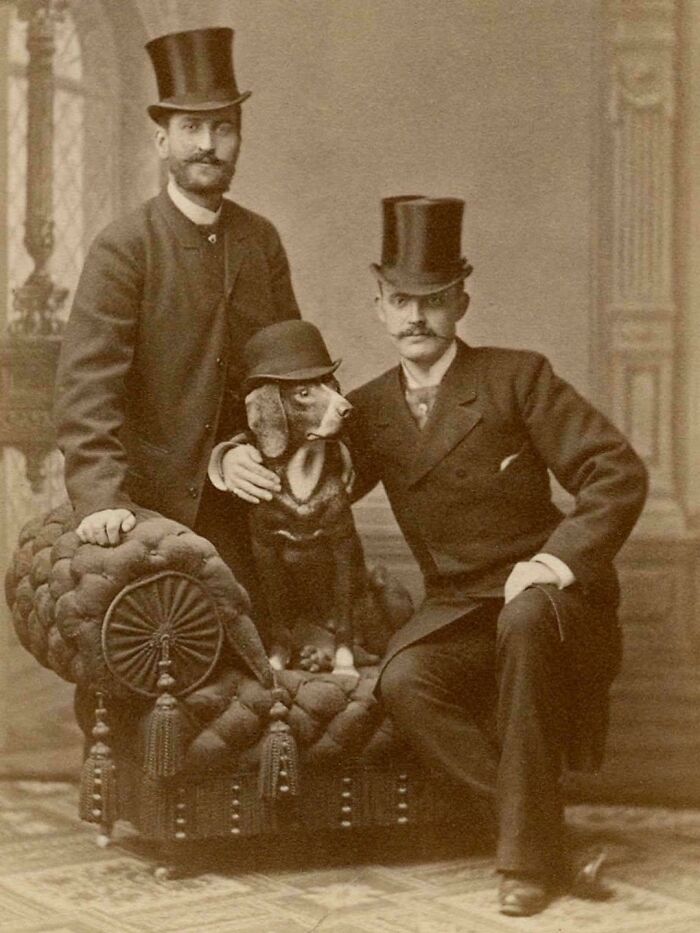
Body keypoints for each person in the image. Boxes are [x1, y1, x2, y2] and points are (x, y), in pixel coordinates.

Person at [221, 195, 648, 916]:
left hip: (548, 598)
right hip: (456, 613)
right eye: (399, 300)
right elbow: (304, 468)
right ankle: (549, 842)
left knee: (522, 620)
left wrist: (554, 562)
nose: (416, 317)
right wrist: (232, 454)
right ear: (380, 307)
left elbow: (617, 472)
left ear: (461, 301)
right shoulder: (366, 408)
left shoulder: (519, 377)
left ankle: (523, 865)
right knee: (406, 680)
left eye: (433, 300)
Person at [54, 27, 299, 597]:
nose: (207, 144)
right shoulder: (125, 246)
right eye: (190, 128)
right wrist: (103, 499)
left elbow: (285, 377)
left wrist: (242, 447)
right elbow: (87, 389)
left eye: (223, 128)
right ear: (161, 141)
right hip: (145, 511)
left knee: (250, 662)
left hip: (241, 504)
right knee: (143, 661)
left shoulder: (260, 241)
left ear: (239, 139)